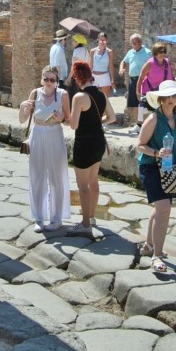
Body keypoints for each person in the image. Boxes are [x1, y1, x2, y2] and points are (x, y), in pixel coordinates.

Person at [137, 81, 176, 273]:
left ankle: (148, 246)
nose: (171, 99)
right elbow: (139, 145)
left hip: (168, 168)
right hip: (151, 167)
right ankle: (157, 256)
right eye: (168, 96)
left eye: (174, 96)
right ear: (161, 99)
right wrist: (157, 153)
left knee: (160, 209)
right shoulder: (153, 119)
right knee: (164, 208)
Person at [18, 65, 71, 232]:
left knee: (57, 177)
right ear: (41, 79)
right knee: (37, 176)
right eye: (46, 78)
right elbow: (22, 120)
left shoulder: (62, 95)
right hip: (38, 134)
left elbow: (69, 120)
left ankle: (56, 218)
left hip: (55, 133)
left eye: (52, 79)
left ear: (57, 81)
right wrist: (23, 108)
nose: (48, 82)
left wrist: (62, 119)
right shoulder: (34, 94)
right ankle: (39, 218)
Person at [67, 59, 116, 236]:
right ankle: (92, 217)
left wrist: (62, 118)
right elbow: (112, 118)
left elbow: (73, 125)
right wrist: (97, 121)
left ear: (76, 78)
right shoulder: (101, 94)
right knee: (93, 181)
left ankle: (85, 223)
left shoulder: (79, 97)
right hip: (99, 142)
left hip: (84, 143)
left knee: (83, 186)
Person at [119, 33, 152, 133]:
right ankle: (139, 124)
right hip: (132, 80)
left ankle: (142, 125)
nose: (133, 45)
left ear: (140, 42)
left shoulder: (147, 52)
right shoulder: (130, 52)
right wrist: (121, 68)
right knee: (132, 104)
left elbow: (152, 65)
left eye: (135, 43)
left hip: (142, 80)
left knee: (142, 104)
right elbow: (124, 61)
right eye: (132, 43)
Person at [136, 42, 173, 112]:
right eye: (160, 52)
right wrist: (137, 92)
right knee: (144, 114)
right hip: (148, 94)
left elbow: (169, 78)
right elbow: (141, 78)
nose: (162, 54)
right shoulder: (150, 63)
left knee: (158, 114)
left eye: (164, 51)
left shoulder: (167, 62)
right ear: (155, 53)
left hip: (161, 94)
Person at [89, 31, 115, 97]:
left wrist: (112, 80)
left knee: (105, 98)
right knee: (93, 98)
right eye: (101, 40)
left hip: (104, 76)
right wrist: (88, 77)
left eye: (104, 40)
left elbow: (111, 66)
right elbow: (90, 65)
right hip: (94, 77)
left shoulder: (109, 52)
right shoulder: (92, 51)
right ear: (98, 40)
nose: (102, 42)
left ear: (106, 41)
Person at [67, 33, 89, 100]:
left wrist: (69, 78)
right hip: (85, 75)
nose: (72, 42)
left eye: (73, 41)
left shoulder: (77, 50)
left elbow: (74, 65)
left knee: (74, 95)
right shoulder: (85, 50)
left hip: (77, 76)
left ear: (77, 42)